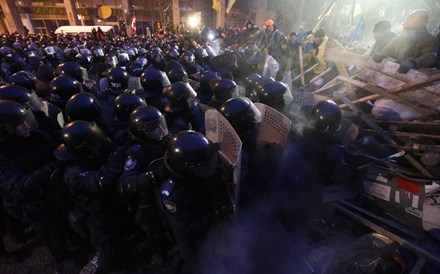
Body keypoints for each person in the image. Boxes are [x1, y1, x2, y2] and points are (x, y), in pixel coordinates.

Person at [273, 100, 356, 232]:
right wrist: (351, 167)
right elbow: (343, 177)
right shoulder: (333, 150)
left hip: (281, 190)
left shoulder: (296, 133)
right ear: (331, 128)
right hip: (307, 198)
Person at [372, 9, 438, 73]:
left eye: (410, 28)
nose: (407, 30)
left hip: (414, 76)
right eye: (406, 28)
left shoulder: (430, 39)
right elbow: (391, 47)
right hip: (394, 71)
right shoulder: (401, 36)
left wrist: (413, 63)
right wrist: (383, 53)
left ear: (421, 25)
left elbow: (430, 56)